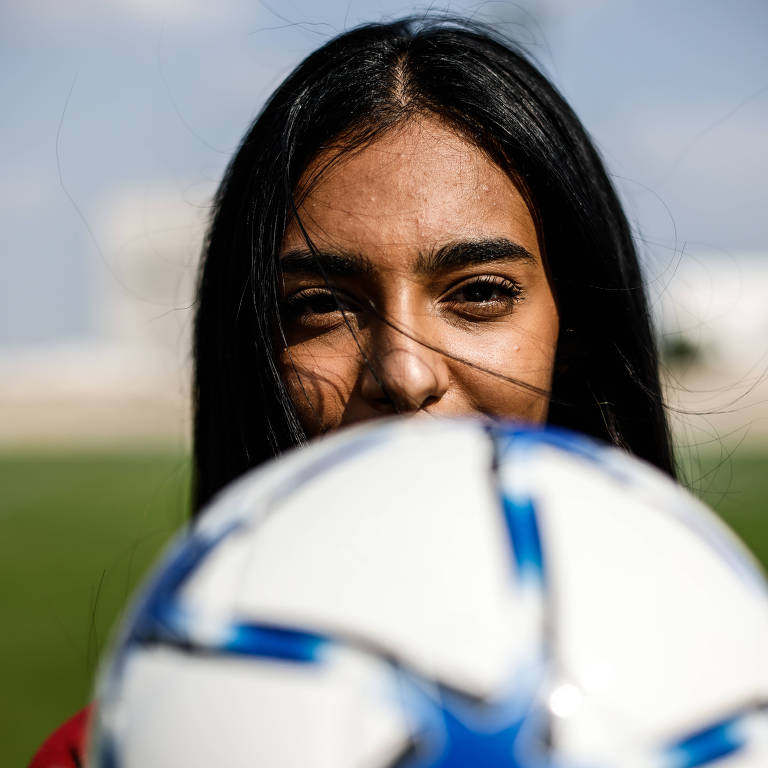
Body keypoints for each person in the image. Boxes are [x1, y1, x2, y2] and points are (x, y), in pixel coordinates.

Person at [29, 15, 675, 767]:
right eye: (322, 306)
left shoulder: (732, 704)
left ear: (579, 327)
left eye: (480, 293)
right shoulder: (121, 748)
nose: (403, 372)